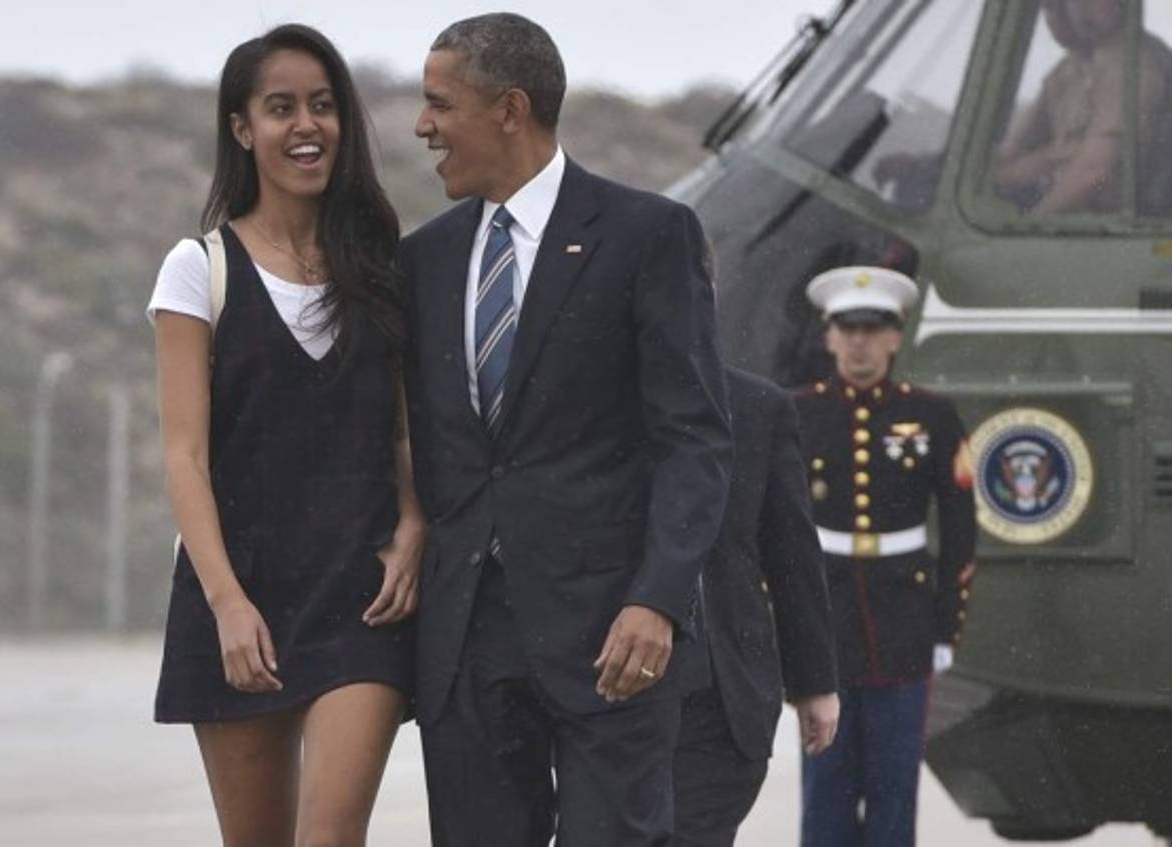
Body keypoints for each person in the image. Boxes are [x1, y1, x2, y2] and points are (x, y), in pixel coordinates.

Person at [401, 13, 732, 847]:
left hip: (612, 637)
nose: (422, 125)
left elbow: (694, 439)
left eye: (440, 103)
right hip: (468, 642)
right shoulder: (423, 260)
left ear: (510, 109)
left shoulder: (647, 235)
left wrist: (658, 599)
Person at [149, 24, 423, 847]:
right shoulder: (198, 268)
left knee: (330, 836)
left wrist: (415, 524)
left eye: (323, 105)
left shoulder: (382, 267)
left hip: (361, 597)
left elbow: (406, 433)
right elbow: (184, 457)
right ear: (242, 128)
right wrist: (228, 604)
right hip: (240, 595)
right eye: (281, 108)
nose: (307, 125)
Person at [793, 266, 977, 847]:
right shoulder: (798, 413)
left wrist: (946, 624)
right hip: (826, 621)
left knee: (894, 787)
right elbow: (776, 527)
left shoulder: (933, 415)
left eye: (872, 330)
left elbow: (961, 525)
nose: (859, 343)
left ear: (895, 337)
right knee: (825, 785)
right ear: (829, 336)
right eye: (847, 329)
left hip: (904, 621)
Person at [671, 366, 840, 847]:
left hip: (722, 692)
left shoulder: (756, 405)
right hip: (610, 695)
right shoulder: (585, 393)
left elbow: (791, 552)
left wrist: (814, 682)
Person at [993, 0, 1169, 214]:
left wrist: (1032, 223)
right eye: (1049, 7)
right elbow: (1003, 164)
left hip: (1101, 223)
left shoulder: (1133, 64)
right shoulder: (1068, 70)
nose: (1080, 6)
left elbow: (1094, 172)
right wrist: (1050, 157)